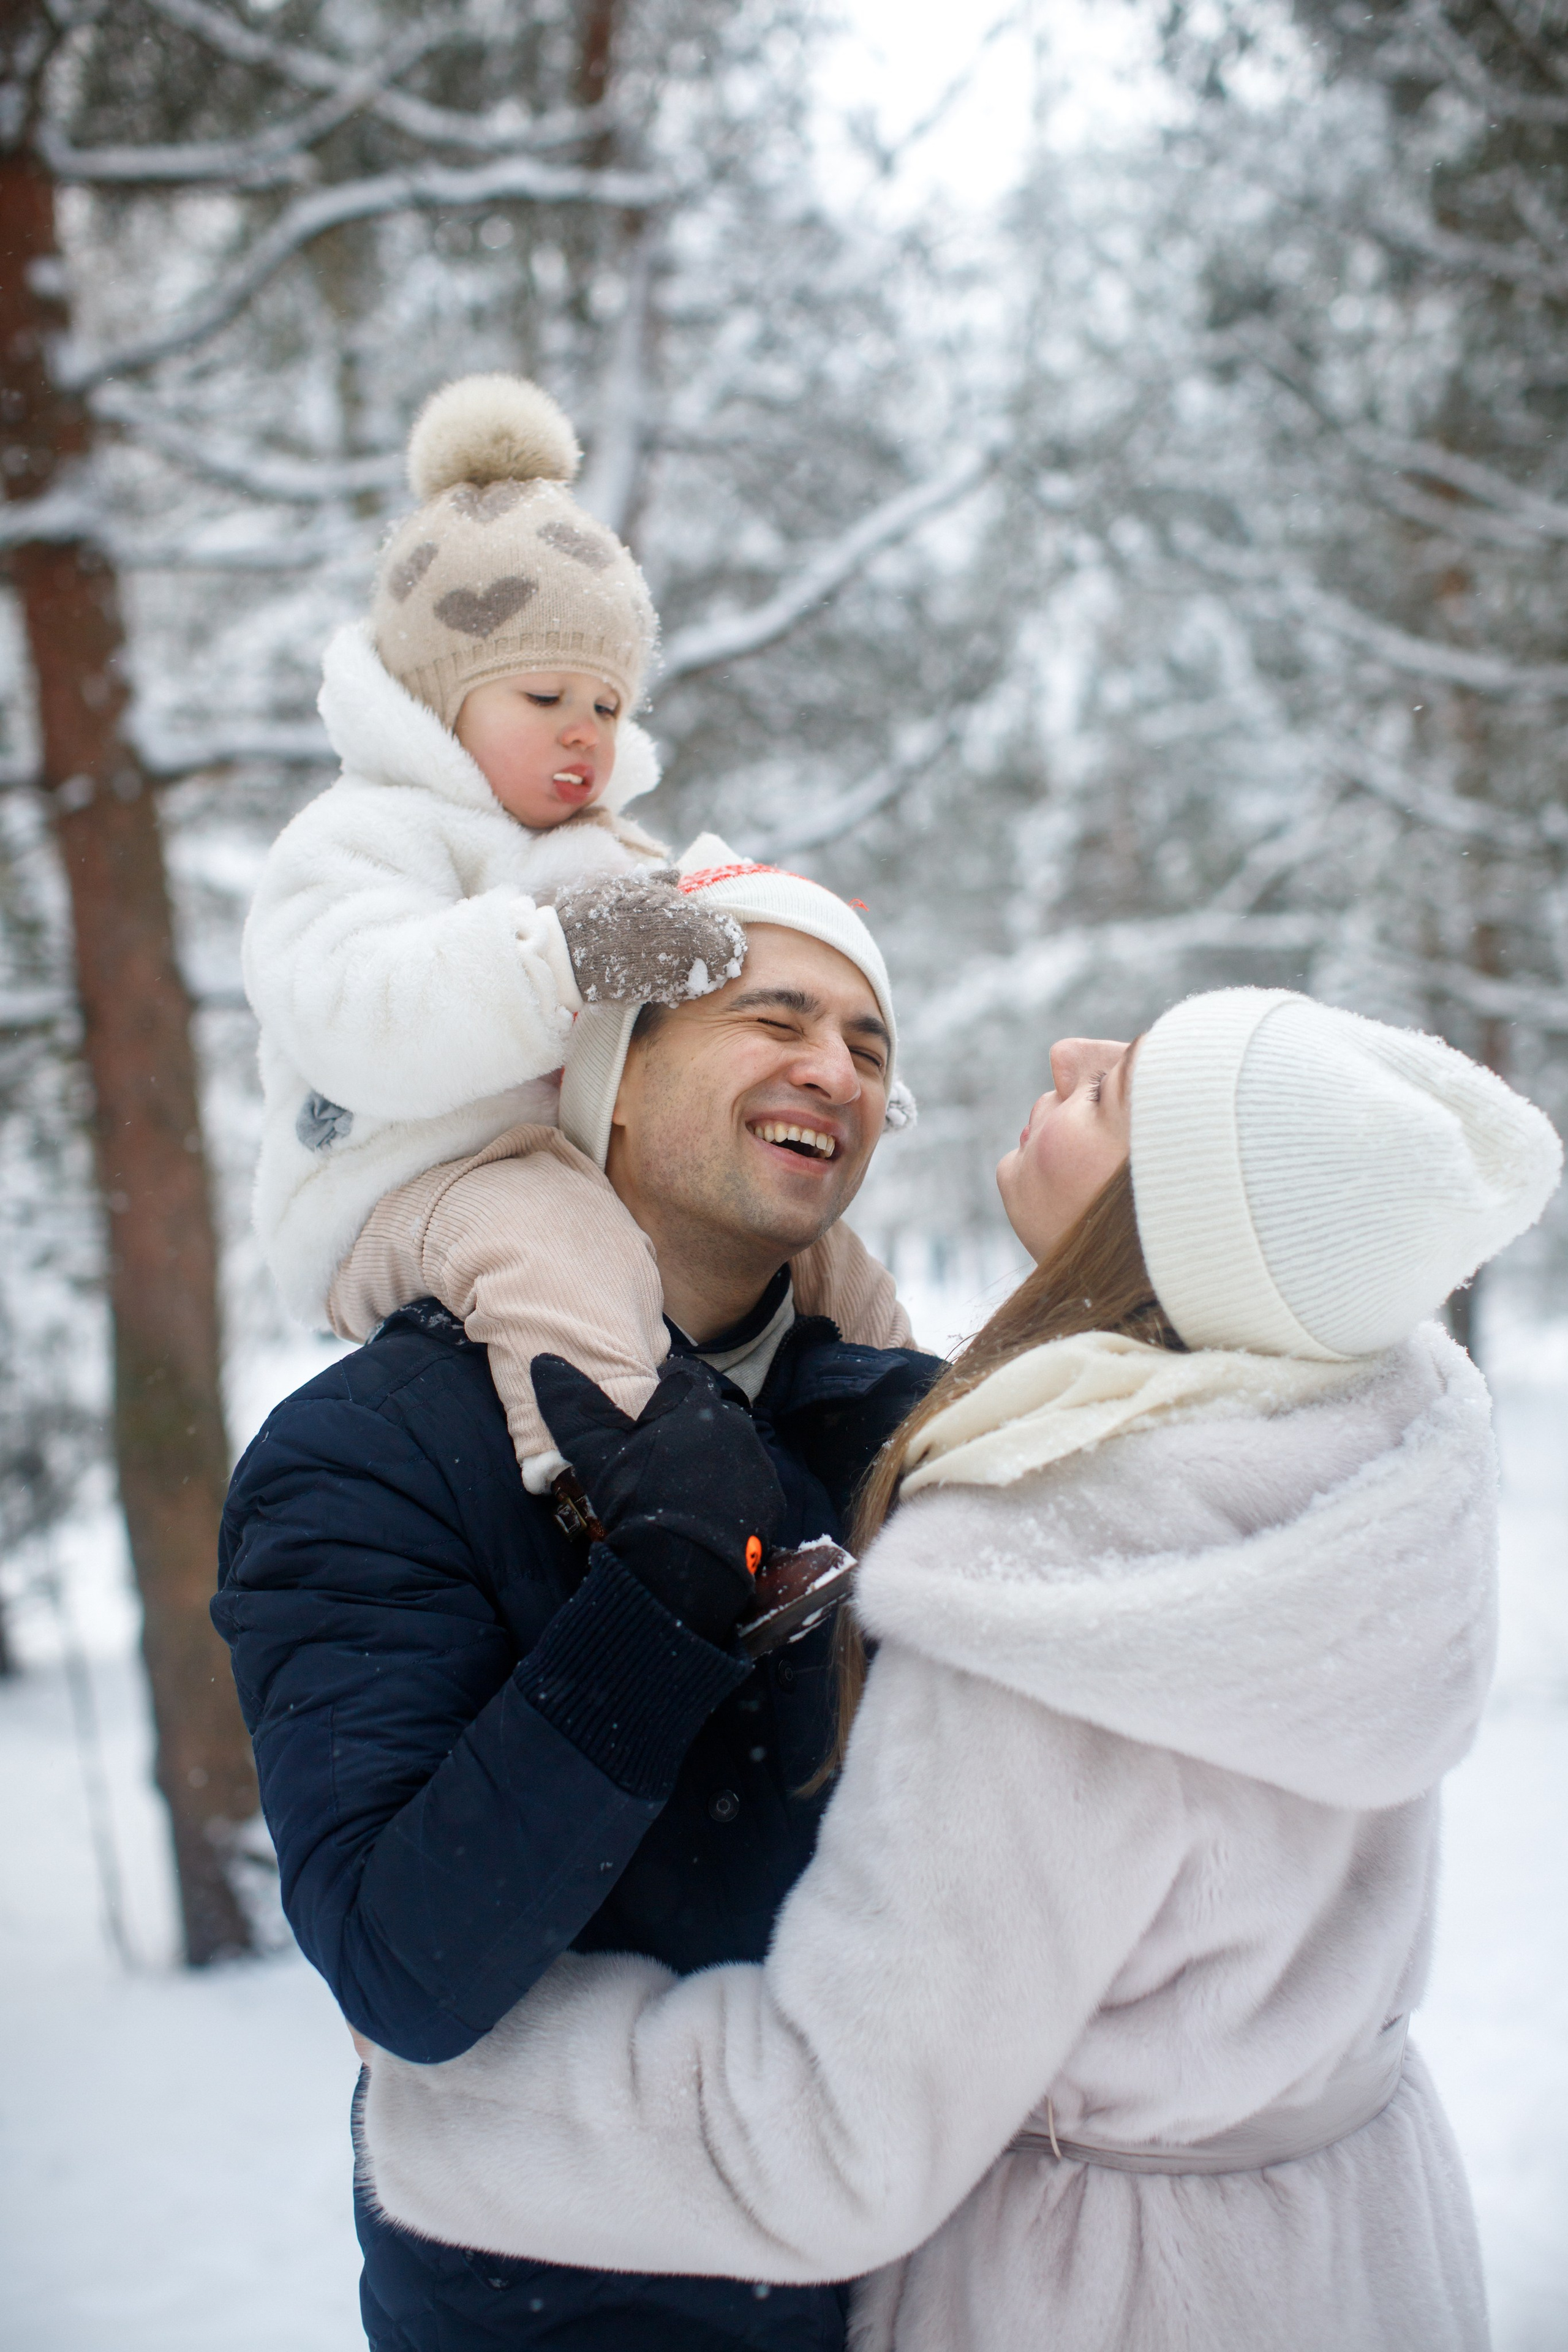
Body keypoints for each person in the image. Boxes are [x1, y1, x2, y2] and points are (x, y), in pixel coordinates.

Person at [354, 987, 1561, 2352]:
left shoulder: (1063, 1577)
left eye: (1115, 1093)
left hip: (1110, 2297)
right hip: (1354, 2255)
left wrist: (445, 2092)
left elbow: (837, 2144)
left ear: (1165, 1225)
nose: (1069, 1054)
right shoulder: (1338, 1459)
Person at [213, 883, 941, 2352]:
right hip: (580, 2310)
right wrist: (657, 1611)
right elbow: (403, 1964)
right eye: (774, 1018)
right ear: (606, 1083)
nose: (836, 1070)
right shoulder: (367, 1455)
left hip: (926, 2289)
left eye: (867, 1044)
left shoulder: (900, 1430)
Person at [243, 370, 902, 1489]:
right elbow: (361, 1009)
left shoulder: (604, 849)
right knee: (549, 1243)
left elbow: (722, 960)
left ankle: (917, 1455)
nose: (583, 735)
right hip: (397, 1183)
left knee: (819, 1258)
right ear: (439, 701)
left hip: (573, 1163)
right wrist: (557, 962)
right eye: (544, 698)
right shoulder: (356, 842)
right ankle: (632, 1493)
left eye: (605, 705)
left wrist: (822, 1058)